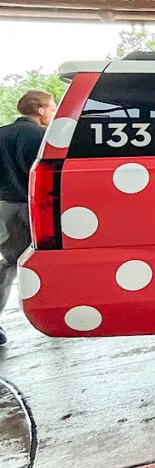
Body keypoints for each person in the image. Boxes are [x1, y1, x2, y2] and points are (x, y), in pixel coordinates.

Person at [0, 90, 56, 345]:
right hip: (29, 207)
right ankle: (55, 314)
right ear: (41, 110)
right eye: (52, 107)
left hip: (2, 208)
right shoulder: (40, 137)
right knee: (44, 260)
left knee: (8, 265)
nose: (53, 112)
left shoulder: (1, 134)